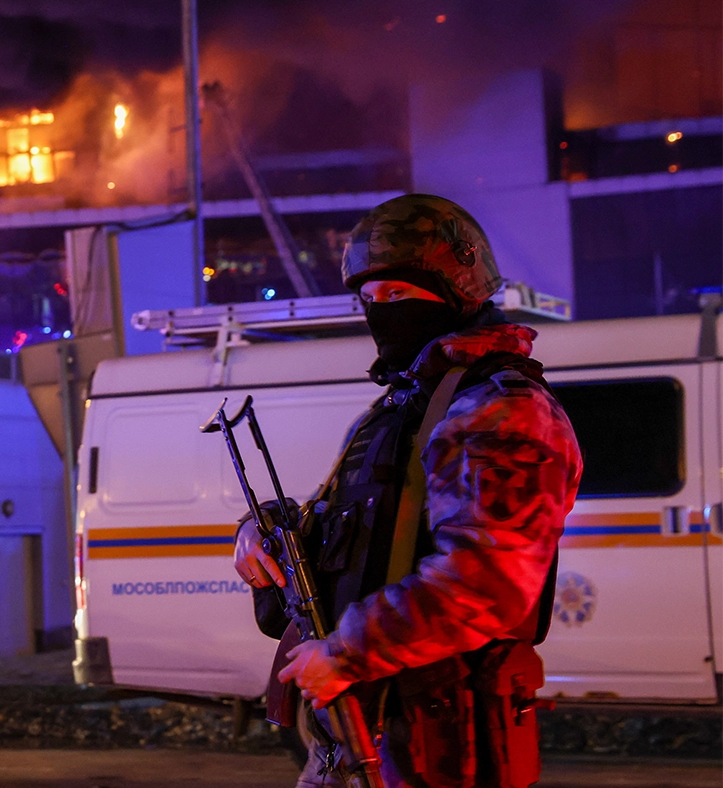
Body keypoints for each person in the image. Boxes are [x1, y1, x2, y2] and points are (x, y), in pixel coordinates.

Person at [233, 194, 582, 788]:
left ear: (457, 291)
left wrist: (345, 652)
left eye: (397, 295)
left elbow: (486, 583)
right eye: (367, 299)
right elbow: (355, 523)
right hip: (360, 734)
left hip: (442, 745)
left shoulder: (501, 409)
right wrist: (262, 529)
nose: (379, 313)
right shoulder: (404, 408)